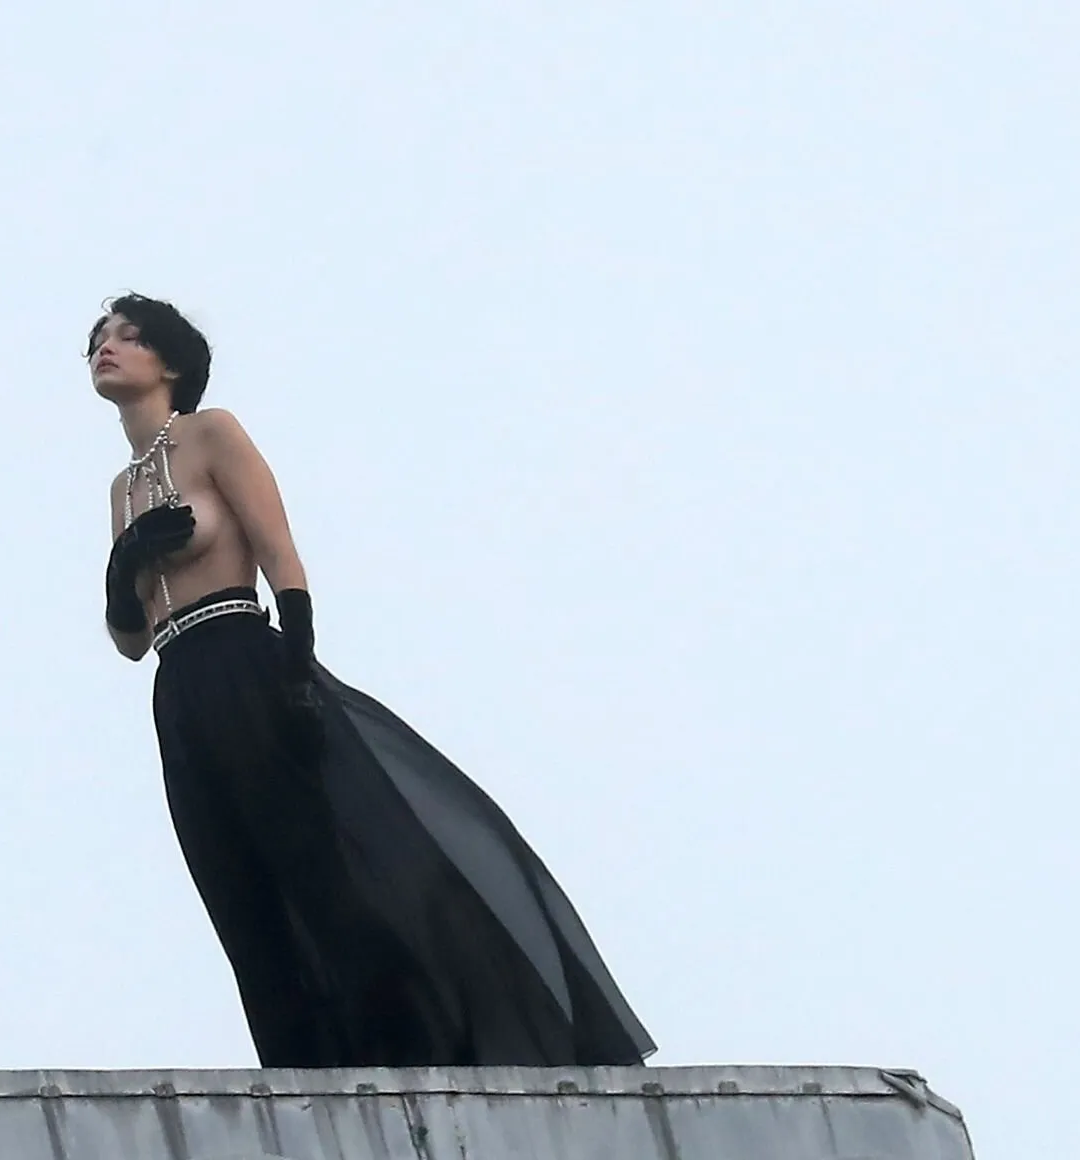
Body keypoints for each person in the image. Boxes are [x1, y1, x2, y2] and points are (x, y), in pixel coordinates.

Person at [89, 292, 656, 1068]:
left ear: (171, 363)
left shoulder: (212, 433)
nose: (107, 346)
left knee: (313, 867)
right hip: (176, 688)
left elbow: (281, 556)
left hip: (245, 659)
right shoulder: (121, 490)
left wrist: (296, 670)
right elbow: (130, 642)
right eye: (99, 338)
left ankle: (408, 1049)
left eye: (128, 335)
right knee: (234, 889)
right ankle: (299, 1071)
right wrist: (121, 567)